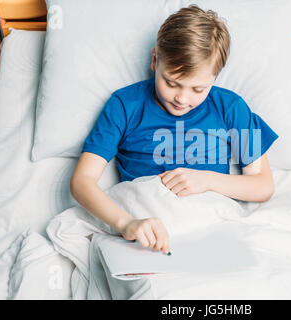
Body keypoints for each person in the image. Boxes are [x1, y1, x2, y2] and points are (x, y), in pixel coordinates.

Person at [70, 5, 279, 256]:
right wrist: (126, 223)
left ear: (216, 76)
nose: (181, 98)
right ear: (155, 59)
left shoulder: (231, 107)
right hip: (147, 220)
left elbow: (263, 186)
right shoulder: (125, 105)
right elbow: (82, 181)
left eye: (198, 89)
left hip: (209, 222)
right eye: (171, 83)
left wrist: (207, 181)